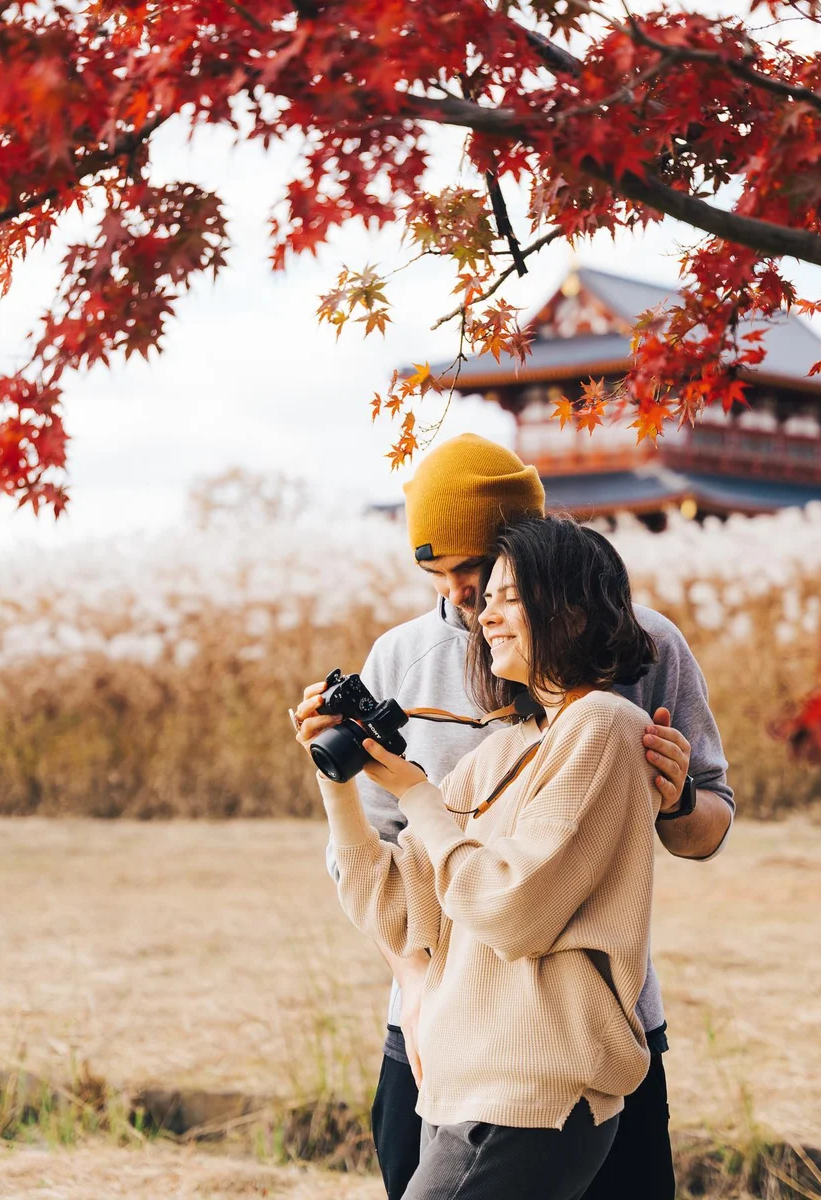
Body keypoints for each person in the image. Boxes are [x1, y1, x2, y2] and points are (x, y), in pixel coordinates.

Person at [293, 434, 734, 1200]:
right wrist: (418, 985)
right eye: (437, 574)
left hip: (570, 1034)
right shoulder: (405, 660)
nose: (465, 599)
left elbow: (704, 827)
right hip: (441, 1030)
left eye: (479, 572)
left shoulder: (639, 653)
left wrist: (677, 801)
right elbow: (390, 874)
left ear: (535, 550)